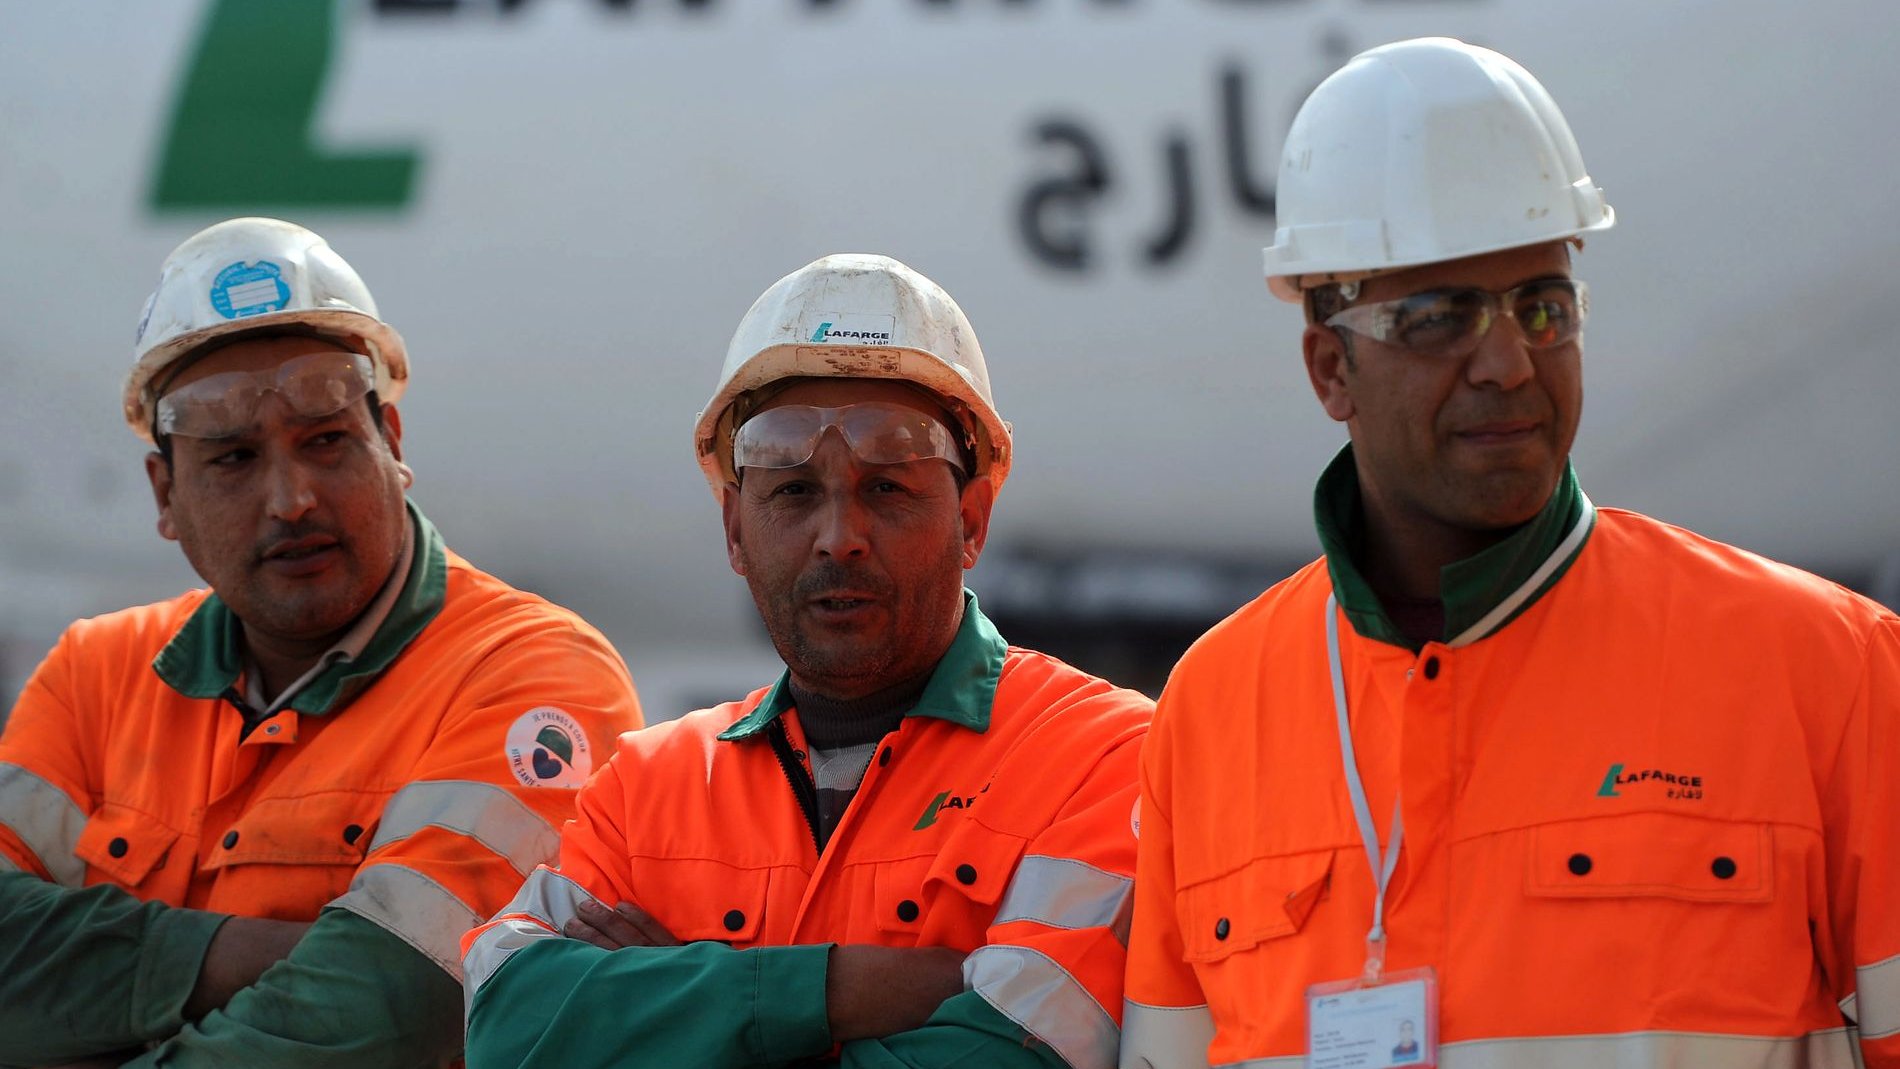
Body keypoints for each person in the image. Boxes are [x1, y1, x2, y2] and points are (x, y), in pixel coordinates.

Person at [1122, 37, 1898, 1069]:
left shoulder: (1827, 669)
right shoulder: (1212, 708)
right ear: (1329, 369)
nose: (1506, 364)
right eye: (1440, 317)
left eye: (1542, 306)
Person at [463, 253, 1152, 1069]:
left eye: (888, 487)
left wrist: (672, 1008)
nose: (839, 535)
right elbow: (507, 1025)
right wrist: (838, 990)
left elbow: (1018, 1054)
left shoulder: (1103, 756)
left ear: (972, 516)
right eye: (792, 490)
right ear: (733, 531)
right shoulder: (648, 786)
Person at [0, 217, 643, 1067]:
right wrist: (265, 954)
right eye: (232, 458)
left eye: (328, 440)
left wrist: (87, 993)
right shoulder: (96, 672)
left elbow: (399, 1008)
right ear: (165, 493)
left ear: (393, 443)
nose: (291, 498)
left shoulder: (533, 675)